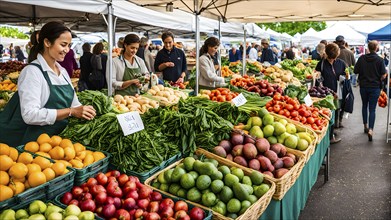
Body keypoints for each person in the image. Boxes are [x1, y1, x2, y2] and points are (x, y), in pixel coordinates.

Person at [0, 21, 96, 147]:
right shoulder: (32, 72)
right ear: (47, 43)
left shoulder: (62, 72)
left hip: (55, 144)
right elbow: (30, 115)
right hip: (29, 144)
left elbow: (74, 104)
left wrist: (85, 110)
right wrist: (70, 111)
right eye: (63, 45)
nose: (67, 50)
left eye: (69, 45)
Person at [354, 41, 387, 141]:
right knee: (372, 109)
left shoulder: (361, 58)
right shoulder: (380, 60)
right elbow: (383, 74)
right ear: (376, 48)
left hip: (364, 86)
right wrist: (380, 78)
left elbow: (355, 71)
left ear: (368, 48)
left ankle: (365, 126)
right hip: (375, 87)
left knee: (364, 105)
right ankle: (371, 130)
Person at [315, 43, 347, 144]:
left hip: (336, 92)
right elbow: (317, 78)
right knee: (328, 114)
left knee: (333, 112)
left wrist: (346, 76)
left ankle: (331, 132)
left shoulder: (340, 63)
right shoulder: (322, 64)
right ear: (337, 53)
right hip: (326, 93)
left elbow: (345, 77)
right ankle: (330, 136)